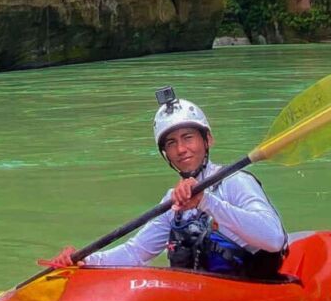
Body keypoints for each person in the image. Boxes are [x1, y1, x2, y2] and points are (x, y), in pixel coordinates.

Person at [39, 88, 288, 280]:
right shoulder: (173, 202)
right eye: (171, 143)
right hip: (201, 300)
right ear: (166, 154)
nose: (181, 149)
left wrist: (206, 202)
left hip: (250, 292)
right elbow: (135, 253)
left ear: (208, 140)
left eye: (188, 138)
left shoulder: (235, 182)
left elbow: (274, 239)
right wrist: (84, 261)